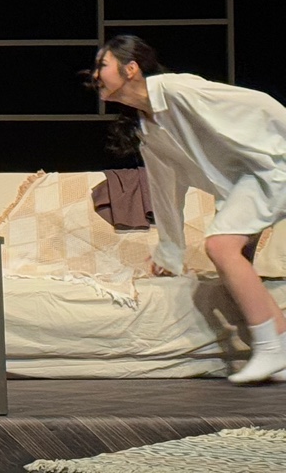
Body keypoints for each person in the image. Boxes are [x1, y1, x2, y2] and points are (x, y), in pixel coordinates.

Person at [92, 35, 286, 385]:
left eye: (102, 65)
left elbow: (258, 103)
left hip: (271, 167)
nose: (95, 75)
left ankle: (270, 349)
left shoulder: (175, 90)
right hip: (246, 182)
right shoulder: (148, 127)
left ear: (130, 68)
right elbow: (165, 189)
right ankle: (280, 348)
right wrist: (170, 251)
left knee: (220, 246)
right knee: (229, 256)